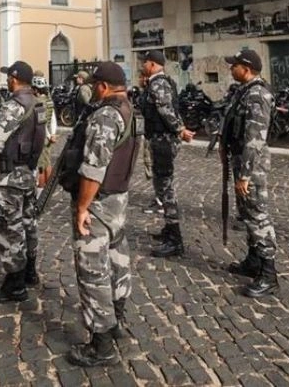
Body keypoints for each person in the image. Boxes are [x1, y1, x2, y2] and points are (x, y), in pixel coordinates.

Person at [62, 61, 139, 367]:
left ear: (104, 87)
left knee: (93, 270)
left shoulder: (105, 116)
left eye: (95, 84)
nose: (92, 89)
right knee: (118, 261)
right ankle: (117, 320)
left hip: (100, 202)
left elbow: (94, 168)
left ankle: (101, 344)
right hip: (118, 200)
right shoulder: (129, 110)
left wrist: (82, 207)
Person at [0, 60, 46, 303]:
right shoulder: (38, 104)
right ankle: (30, 271)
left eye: (9, 77)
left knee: (11, 227)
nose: (7, 80)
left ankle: (15, 284)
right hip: (29, 171)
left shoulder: (13, 106)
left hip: (11, 175)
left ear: (15, 79)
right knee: (29, 223)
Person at [220, 49, 278, 298]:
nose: (231, 68)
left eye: (234, 65)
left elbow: (255, 138)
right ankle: (253, 261)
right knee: (247, 214)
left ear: (246, 68)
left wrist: (244, 175)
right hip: (241, 160)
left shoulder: (257, 95)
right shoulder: (244, 91)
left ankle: (269, 274)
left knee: (257, 216)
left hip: (251, 167)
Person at [138, 49, 194, 258]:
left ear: (152, 64)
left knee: (166, 188)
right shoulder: (155, 82)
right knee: (161, 186)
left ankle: (175, 239)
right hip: (159, 139)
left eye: (145, 62)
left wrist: (180, 130)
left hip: (163, 140)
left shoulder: (158, 83)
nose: (142, 65)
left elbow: (165, 110)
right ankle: (169, 229)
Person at [32, 73, 58, 200]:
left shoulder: (37, 103)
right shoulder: (49, 101)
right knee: (47, 162)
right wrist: (52, 134)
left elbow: (41, 122)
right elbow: (52, 120)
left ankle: (41, 193)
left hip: (41, 136)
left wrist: (48, 135)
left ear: (36, 89)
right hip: (48, 136)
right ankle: (49, 189)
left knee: (41, 166)